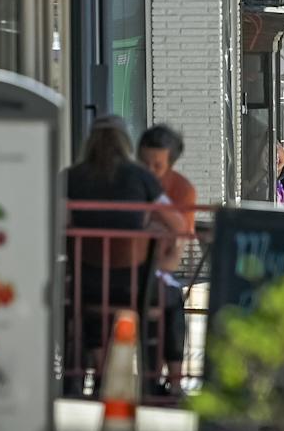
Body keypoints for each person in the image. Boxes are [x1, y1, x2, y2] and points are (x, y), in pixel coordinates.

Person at [64, 117, 177, 382]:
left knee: (86, 299)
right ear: (126, 143)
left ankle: (97, 372)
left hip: (85, 285)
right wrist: (149, 225)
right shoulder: (142, 177)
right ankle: (158, 378)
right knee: (170, 297)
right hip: (136, 287)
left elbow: (52, 219)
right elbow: (177, 222)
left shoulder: (70, 177)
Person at [135, 124, 198, 387]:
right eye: (144, 162)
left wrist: (156, 270)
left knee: (166, 298)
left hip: (156, 269)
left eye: (157, 165)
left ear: (170, 164)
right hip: (123, 266)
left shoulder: (182, 189)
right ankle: (152, 377)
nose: (149, 170)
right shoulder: (129, 181)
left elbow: (178, 248)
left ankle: (172, 378)